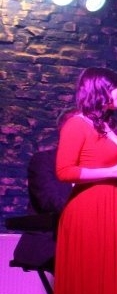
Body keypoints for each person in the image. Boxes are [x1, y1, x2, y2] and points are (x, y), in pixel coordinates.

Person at [53, 68, 117, 294]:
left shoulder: (106, 126)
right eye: (115, 88)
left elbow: (103, 164)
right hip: (88, 213)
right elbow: (64, 171)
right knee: (89, 281)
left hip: (109, 209)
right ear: (99, 90)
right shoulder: (76, 124)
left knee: (106, 280)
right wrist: (113, 171)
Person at [13, 110, 75, 273]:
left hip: (84, 239)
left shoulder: (94, 167)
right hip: (51, 240)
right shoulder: (44, 161)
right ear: (63, 130)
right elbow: (49, 201)